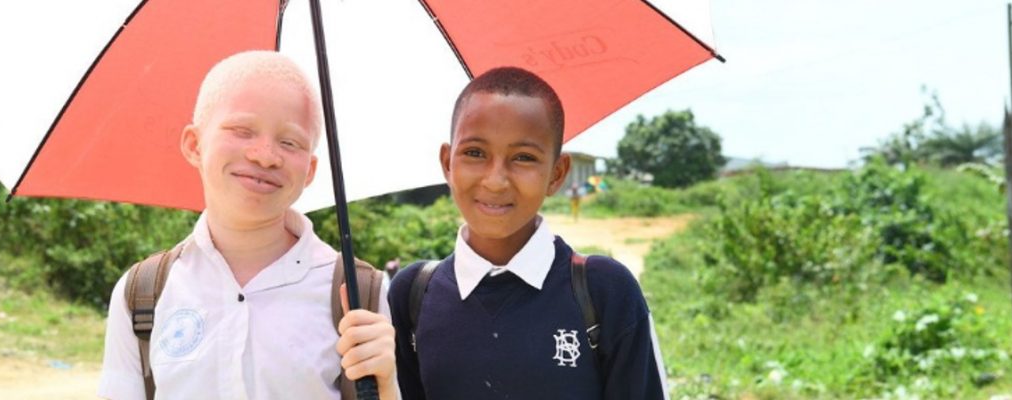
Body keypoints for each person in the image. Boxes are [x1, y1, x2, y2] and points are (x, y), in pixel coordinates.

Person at [97, 51, 397, 400]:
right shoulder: (143, 294)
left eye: (290, 142)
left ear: (310, 171)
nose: (265, 156)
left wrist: (386, 386)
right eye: (242, 131)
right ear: (194, 145)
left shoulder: (358, 295)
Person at [388, 67, 668, 399]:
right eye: (475, 153)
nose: (495, 181)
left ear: (557, 173)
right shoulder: (412, 295)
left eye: (523, 157)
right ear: (448, 162)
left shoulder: (605, 292)